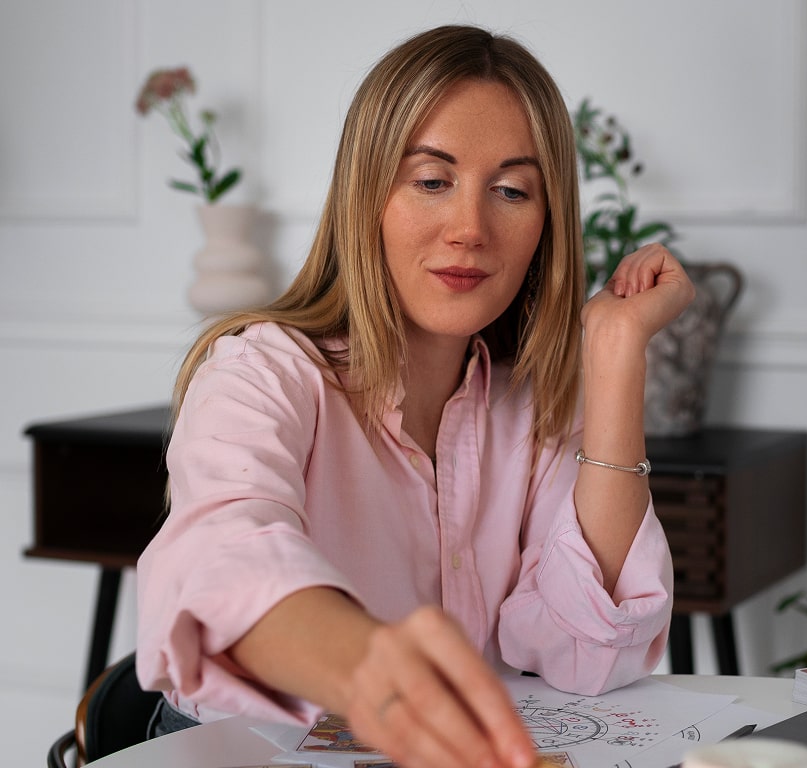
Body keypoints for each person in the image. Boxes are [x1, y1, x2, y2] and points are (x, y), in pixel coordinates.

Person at [135, 24, 693, 768]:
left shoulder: (531, 403)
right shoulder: (259, 373)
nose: (470, 229)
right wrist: (370, 667)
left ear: (546, 223)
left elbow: (590, 651)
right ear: (366, 194)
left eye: (511, 191)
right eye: (431, 181)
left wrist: (617, 354)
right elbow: (220, 562)